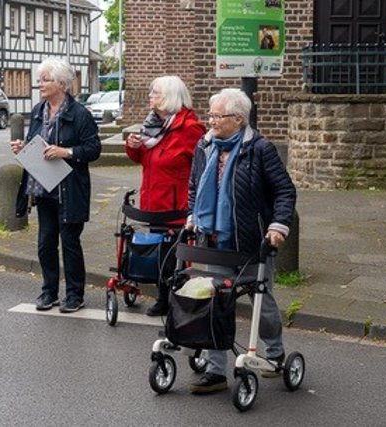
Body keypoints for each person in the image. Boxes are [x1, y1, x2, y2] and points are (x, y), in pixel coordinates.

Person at [185, 88, 296, 394]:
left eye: (216, 116)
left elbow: (285, 191)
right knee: (216, 302)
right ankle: (216, 371)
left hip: (249, 243)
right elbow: (194, 185)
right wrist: (193, 216)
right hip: (213, 240)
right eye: (209, 114)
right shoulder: (204, 146)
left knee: (263, 303)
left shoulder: (259, 148)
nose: (210, 121)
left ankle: (274, 353)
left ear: (238, 119)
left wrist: (277, 226)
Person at [10, 58, 101, 313]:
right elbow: (35, 143)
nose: (40, 84)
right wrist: (23, 148)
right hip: (42, 187)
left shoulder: (80, 114)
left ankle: (74, 294)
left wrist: (67, 151)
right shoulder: (39, 110)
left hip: (69, 189)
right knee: (45, 242)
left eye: (46, 79)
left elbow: (94, 149)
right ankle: (48, 291)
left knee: (70, 242)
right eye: (40, 79)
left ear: (61, 83)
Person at [124, 75, 205, 316]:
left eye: (155, 93)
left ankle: (173, 299)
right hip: (153, 199)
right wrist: (133, 147)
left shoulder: (189, 128)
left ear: (170, 97)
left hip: (175, 204)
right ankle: (163, 296)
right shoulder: (152, 124)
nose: (150, 97)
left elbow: (202, 166)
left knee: (173, 254)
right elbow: (146, 160)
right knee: (159, 252)